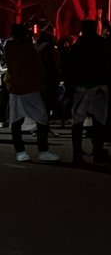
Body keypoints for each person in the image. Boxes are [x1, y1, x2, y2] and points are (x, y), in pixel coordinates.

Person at [5, 24, 59, 162]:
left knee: (16, 121)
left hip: (15, 88)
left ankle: (20, 151)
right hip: (31, 88)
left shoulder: (9, 47)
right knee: (42, 119)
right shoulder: (28, 48)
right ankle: (43, 149)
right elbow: (38, 68)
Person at [66, 20, 111, 164]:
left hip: (80, 87)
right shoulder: (102, 45)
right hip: (98, 86)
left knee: (78, 122)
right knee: (99, 121)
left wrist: (70, 88)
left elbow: (69, 68)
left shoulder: (76, 46)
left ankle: (77, 153)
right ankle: (98, 150)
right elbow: (109, 64)